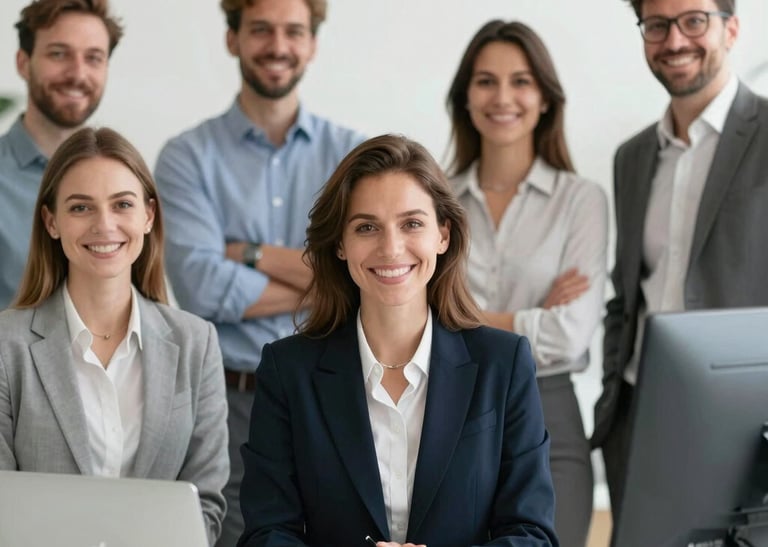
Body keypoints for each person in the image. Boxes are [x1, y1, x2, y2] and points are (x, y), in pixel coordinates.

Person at [237, 134, 559, 547]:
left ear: (443, 234)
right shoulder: (288, 370)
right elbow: (266, 534)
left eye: (412, 224)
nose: (391, 248)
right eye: (367, 227)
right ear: (340, 244)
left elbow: (532, 534)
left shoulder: (504, 362)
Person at [154, 0, 364, 543]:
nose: (278, 46)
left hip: (338, 395)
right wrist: (329, 282)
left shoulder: (355, 157)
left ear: (312, 44)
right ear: (233, 39)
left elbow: (366, 274)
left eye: (293, 31)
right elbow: (199, 285)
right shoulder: (185, 157)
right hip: (228, 404)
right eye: (261, 29)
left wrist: (244, 252)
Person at [0, 127, 229, 545]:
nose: (104, 225)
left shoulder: (197, 344)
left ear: (148, 215)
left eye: (122, 204)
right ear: (51, 221)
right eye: (80, 207)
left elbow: (207, 507)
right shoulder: (6, 346)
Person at [592, 0, 768, 519]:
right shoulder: (632, 157)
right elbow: (625, 296)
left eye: (694, 21)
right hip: (637, 419)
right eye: (657, 25)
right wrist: (612, 400)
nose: (674, 41)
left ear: (731, 29)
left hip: (745, 427)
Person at [446, 20, 608, 547]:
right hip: (449, 414)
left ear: (545, 99)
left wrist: (455, 311)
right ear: (465, 97)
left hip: (549, 418)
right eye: (485, 81)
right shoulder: (435, 198)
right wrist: (530, 316)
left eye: (521, 81)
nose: (502, 97)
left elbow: (570, 335)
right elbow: (409, 318)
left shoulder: (581, 200)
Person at [0, 0, 123, 310]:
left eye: (93, 58)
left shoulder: (126, 180)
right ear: (23, 63)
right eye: (58, 54)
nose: (77, 74)